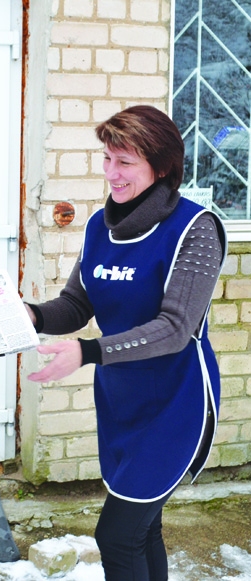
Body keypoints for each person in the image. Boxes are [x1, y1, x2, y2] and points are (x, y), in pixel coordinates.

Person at [25, 105, 226, 580]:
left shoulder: (195, 230)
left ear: (161, 167)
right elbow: (76, 305)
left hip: (176, 404)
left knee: (116, 536)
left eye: (125, 162)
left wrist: (88, 352)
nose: (111, 173)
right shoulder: (99, 227)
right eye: (108, 159)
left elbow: (175, 328)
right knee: (141, 530)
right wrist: (29, 314)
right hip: (122, 400)